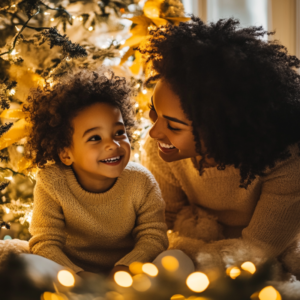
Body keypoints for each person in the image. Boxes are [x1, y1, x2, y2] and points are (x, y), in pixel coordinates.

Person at [139, 17, 300, 273]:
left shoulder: (287, 163)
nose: (154, 131)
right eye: (153, 111)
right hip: (200, 246)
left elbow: (258, 251)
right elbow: (161, 223)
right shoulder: (163, 151)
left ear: (224, 129)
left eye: (174, 126)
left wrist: (188, 257)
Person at [23, 69, 168, 279]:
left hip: (130, 274)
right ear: (66, 153)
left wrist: (124, 269)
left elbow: (154, 237)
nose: (113, 144)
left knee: (176, 258)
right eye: (94, 138)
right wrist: (77, 275)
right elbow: (45, 242)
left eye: (119, 133)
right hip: (72, 275)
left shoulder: (141, 180)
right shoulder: (51, 181)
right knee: (26, 262)